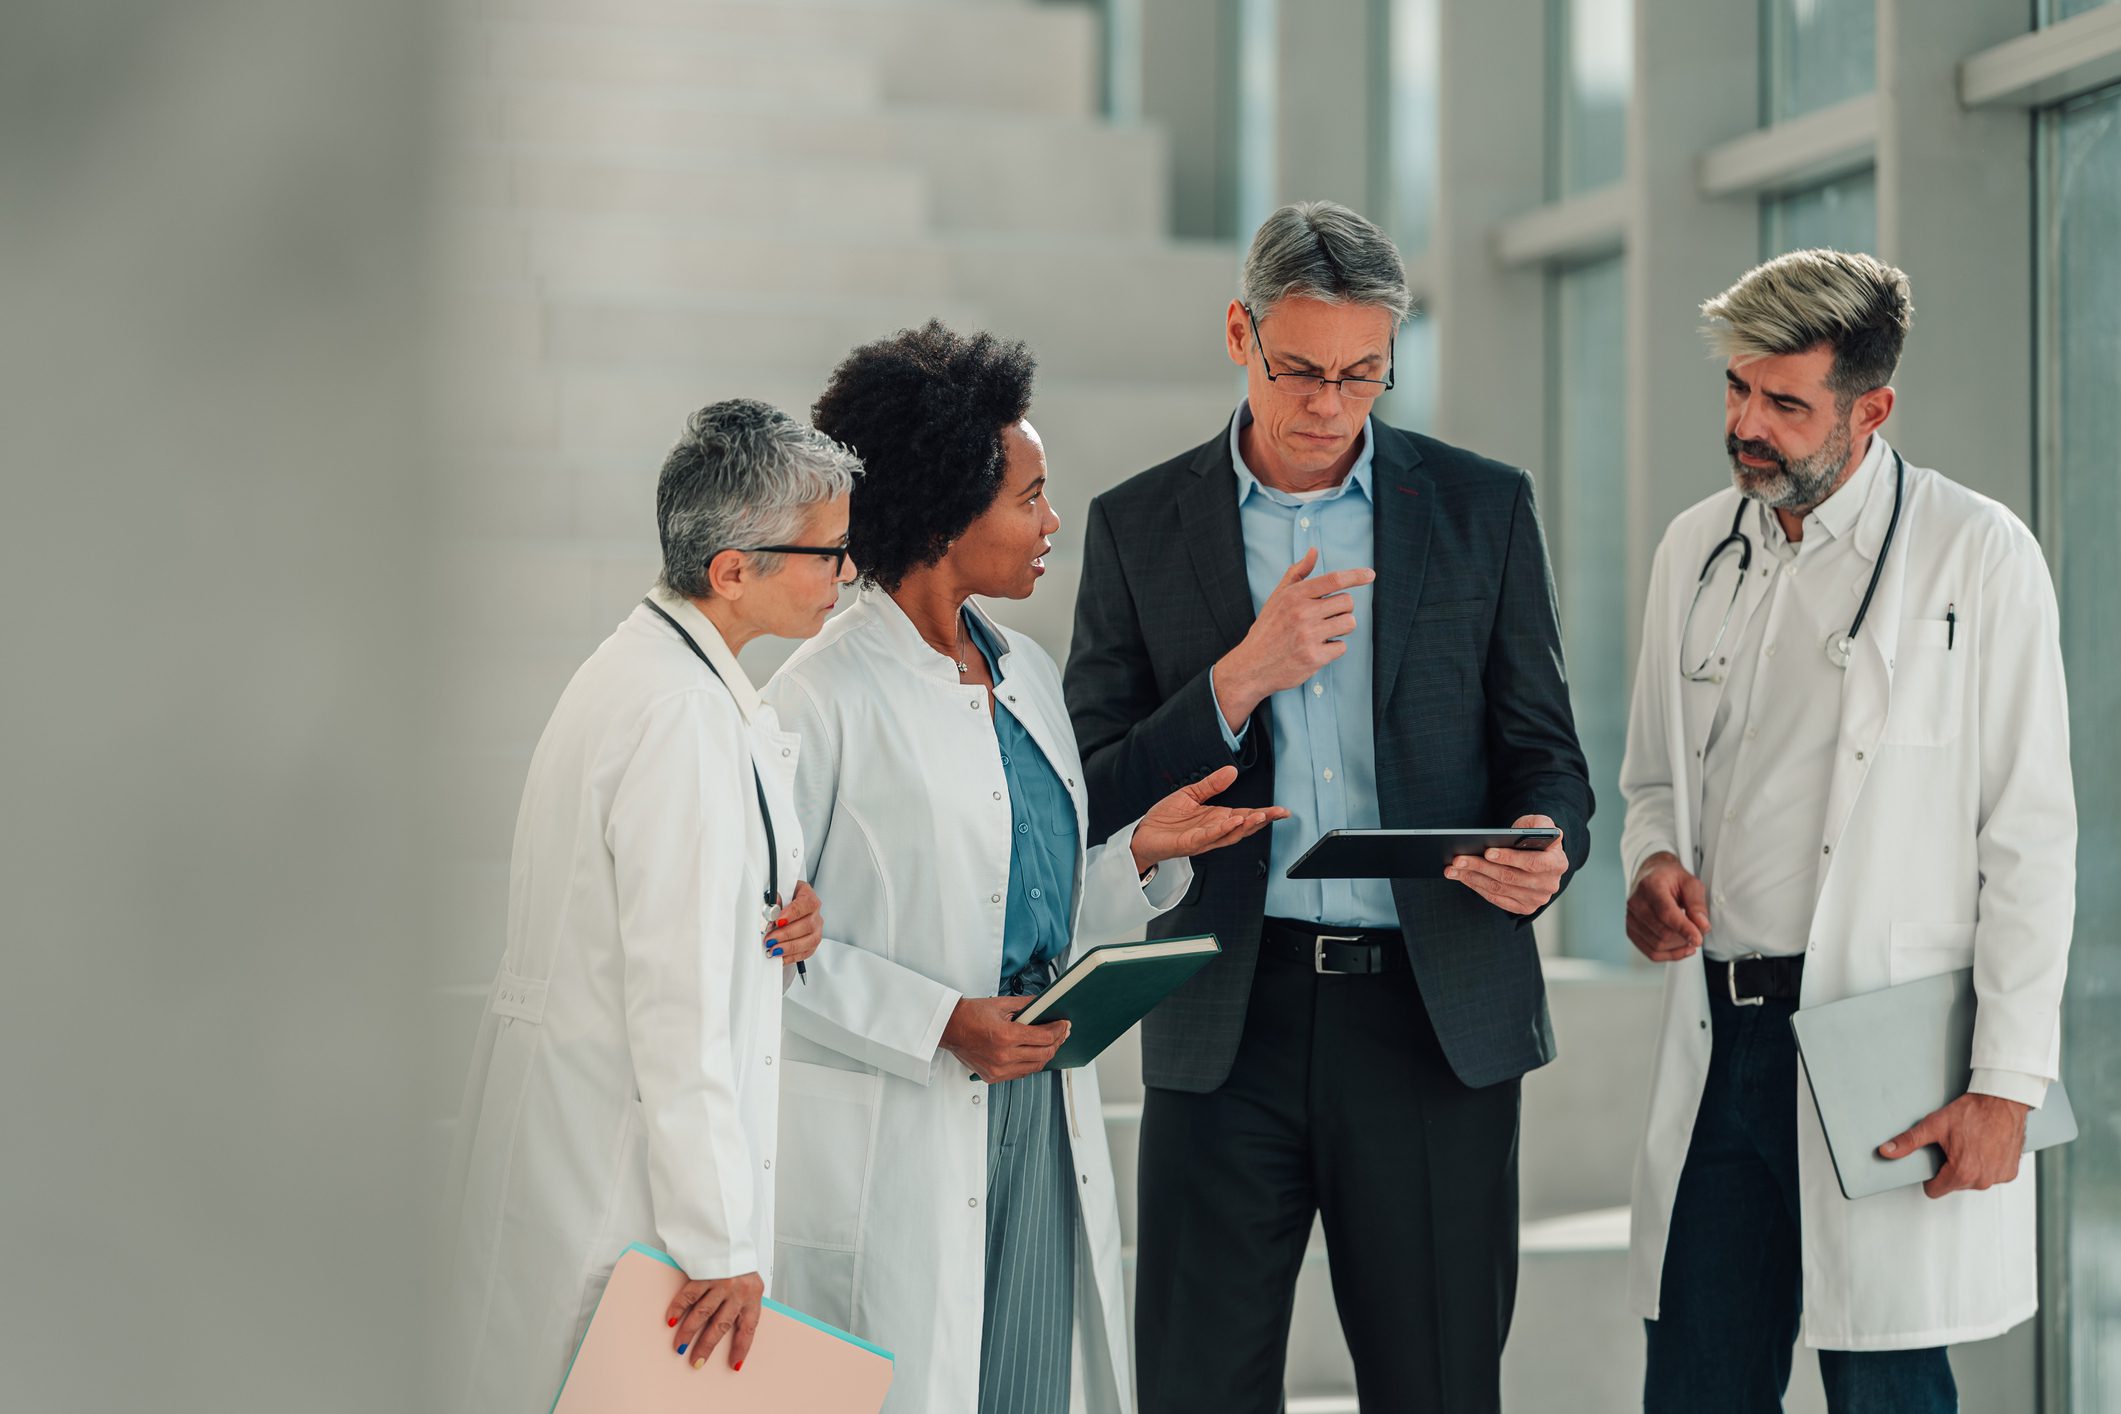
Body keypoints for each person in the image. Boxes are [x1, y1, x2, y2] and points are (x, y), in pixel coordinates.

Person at [1062, 201, 1595, 1414]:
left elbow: (1548, 758)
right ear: (1239, 334)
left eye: (1363, 373)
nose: (1330, 404)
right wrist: (1240, 677)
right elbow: (1092, 789)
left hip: (1432, 1016)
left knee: (1440, 1389)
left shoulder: (1481, 510)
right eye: (1300, 369)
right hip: (1223, 1019)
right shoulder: (1139, 527)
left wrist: (1545, 854)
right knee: (1196, 1389)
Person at [762, 321, 1283, 1414]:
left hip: (1038, 1109)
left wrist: (1137, 853)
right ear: (948, 517)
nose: (1053, 522)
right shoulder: (819, 701)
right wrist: (943, 1019)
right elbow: (761, 954)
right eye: (1028, 498)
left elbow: (1030, 897)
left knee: (1034, 1385)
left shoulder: (1028, 674)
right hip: (904, 1128)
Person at [1618, 250, 2076, 1413]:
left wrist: (2007, 1083)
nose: (1746, 427)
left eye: (1784, 403)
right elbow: (1653, 781)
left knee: (1887, 1386)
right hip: (1725, 1042)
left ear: (1871, 408)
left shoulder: (1978, 554)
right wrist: (1651, 864)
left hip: (1881, 1048)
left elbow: (2027, 838)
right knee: (1699, 1382)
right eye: (1736, 390)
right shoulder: (1694, 550)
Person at [445, 399, 861, 1412]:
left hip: (593, 1155)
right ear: (733, 570)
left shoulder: (657, 671)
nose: (848, 573)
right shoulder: (678, 712)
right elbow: (677, 1003)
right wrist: (720, 1241)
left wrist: (778, 900)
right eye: (829, 552)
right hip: (623, 1183)